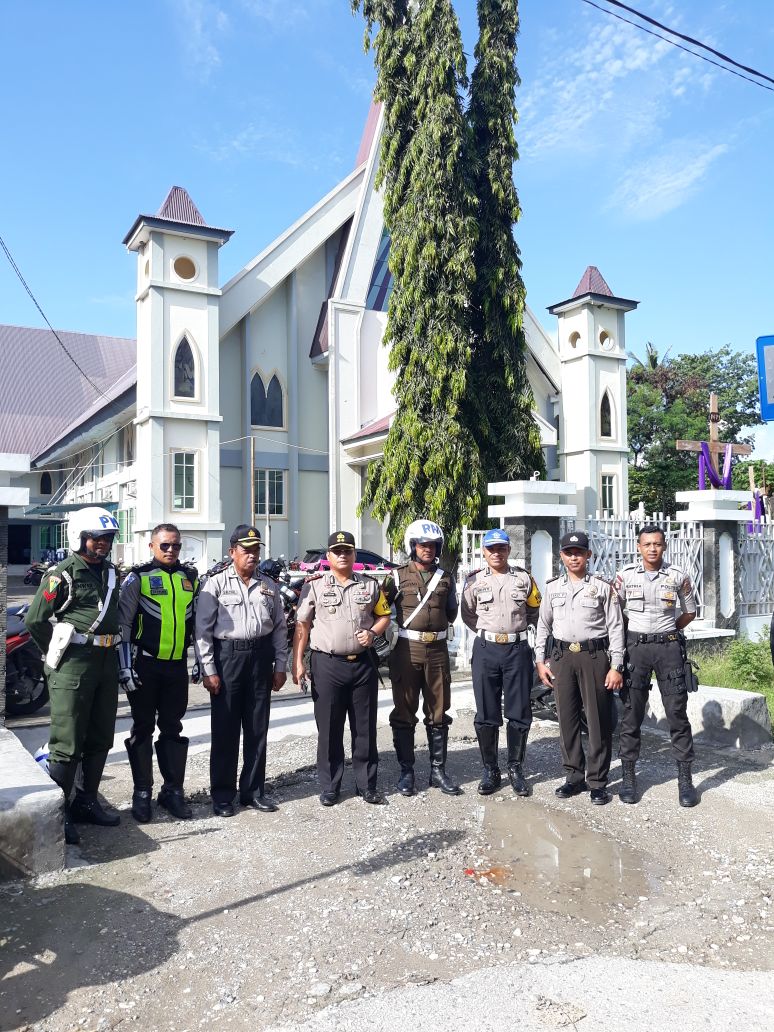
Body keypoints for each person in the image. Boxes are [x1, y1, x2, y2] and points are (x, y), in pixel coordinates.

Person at [24, 506, 122, 845]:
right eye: (97, 538)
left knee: (100, 735)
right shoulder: (61, 574)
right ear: (80, 537)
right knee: (66, 742)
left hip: (106, 663)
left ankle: (87, 802)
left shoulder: (111, 574)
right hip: (73, 665)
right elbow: (35, 620)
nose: (104, 544)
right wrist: (55, 653)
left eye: (108, 538)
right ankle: (61, 811)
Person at [292, 531, 391, 806]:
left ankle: (367, 785)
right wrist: (297, 662)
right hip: (327, 665)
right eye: (337, 551)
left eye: (347, 550)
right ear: (329, 556)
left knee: (364, 727)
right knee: (329, 728)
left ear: (354, 555)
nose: (343, 555)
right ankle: (331, 786)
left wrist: (372, 633)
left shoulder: (370, 586)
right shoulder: (315, 586)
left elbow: (385, 616)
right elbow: (302, 625)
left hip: (362, 665)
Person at [195, 525, 287, 817]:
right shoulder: (216, 584)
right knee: (225, 729)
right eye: (246, 550)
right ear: (232, 552)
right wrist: (209, 669)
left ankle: (253, 791)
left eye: (256, 549)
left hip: (260, 658)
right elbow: (202, 631)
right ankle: (223, 795)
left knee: (257, 728)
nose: (252, 555)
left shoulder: (268, 586)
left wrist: (280, 665)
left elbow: (280, 628)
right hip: (228, 658)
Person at [535, 531, 625, 804]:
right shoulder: (552, 588)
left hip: (594, 657)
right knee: (567, 719)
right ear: (561, 556)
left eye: (579, 552)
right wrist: (540, 660)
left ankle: (598, 781)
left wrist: (617, 666)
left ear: (588, 555)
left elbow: (616, 627)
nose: (574, 557)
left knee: (598, 720)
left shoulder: (602, 587)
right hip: (562, 657)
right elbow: (543, 625)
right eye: (569, 552)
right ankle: (574, 776)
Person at [118, 523, 199, 823]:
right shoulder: (137, 578)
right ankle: (142, 793)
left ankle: (172, 791)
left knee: (173, 728)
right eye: (164, 545)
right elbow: (123, 625)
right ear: (152, 546)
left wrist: (200, 661)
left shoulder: (190, 577)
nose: (170, 550)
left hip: (176, 667)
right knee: (142, 729)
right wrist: (124, 666)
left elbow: (197, 626)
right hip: (145, 667)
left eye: (175, 545)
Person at [614, 524, 699, 807]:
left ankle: (685, 781)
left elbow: (690, 611)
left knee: (677, 712)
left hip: (669, 649)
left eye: (657, 544)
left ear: (664, 546)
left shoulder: (677, 576)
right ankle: (628, 776)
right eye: (647, 544)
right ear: (638, 547)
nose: (652, 548)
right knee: (632, 713)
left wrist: (669, 631)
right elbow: (616, 612)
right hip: (636, 649)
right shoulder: (625, 576)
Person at [382, 519, 460, 796]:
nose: (428, 549)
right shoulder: (396, 576)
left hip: (437, 651)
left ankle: (438, 771)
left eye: (432, 545)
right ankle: (407, 772)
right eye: (422, 545)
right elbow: (381, 609)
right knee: (404, 710)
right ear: (412, 546)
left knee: (438, 711)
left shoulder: (446, 578)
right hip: (406, 649)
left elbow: (451, 613)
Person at [461, 528, 541, 796]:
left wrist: (515, 632)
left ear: (509, 550)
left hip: (517, 650)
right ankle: (490, 770)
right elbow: (468, 614)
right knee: (487, 713)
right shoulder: (473, 581)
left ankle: (516, 768)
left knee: (519, 712)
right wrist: (490, 633)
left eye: (501, 548)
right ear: (484, 552)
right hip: (486, 650)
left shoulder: (524, 579)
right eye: (491, 548)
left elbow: (534, 610)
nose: (496, 553)